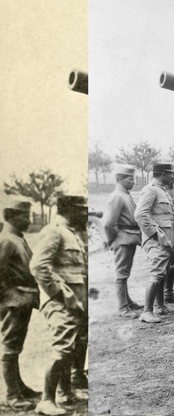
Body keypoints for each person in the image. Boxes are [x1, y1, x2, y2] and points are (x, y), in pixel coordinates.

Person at [31, 195, 88, 416]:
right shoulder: (53, 231)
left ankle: (65, 393)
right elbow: (39, 267)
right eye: (81, 210)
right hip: (60, 302)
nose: (85, 213)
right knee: (61, 348)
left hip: (75, 302)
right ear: (70, 209)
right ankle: (46, 400)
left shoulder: (70, 232)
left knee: (71, 347)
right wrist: (62, 294)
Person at [0, 198, 41, 410]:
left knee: (16, 346)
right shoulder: (6, 240)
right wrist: (8, 299)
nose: (29, 219)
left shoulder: (17, 238)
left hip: (21, 301)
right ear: (11, 216)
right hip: (13, 302)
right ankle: (12, 395)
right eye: (25, 215)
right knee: (9, 348)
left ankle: (19, 387)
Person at [135, 162, 174, 323]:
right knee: (156, 274)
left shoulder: (162, 190)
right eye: (170, 173)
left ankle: (160, 306)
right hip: (157, 240)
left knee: (163, 273)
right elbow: (140, 215)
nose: (173, 176)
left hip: (167, 239)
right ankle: (146, 312)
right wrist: (156, 235)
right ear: (162, 173)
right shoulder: (150, 190)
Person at [102, 165, 143, 319]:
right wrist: (110, 239)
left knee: (125, 272)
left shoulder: (125, 194)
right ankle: (122, 308)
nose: (133, 181)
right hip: (122, 239)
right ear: (120, 179)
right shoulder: (117, 196)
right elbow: (108, 224)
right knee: (121, 274)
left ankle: (128, 302)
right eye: (130, 179)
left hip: (129, 237)